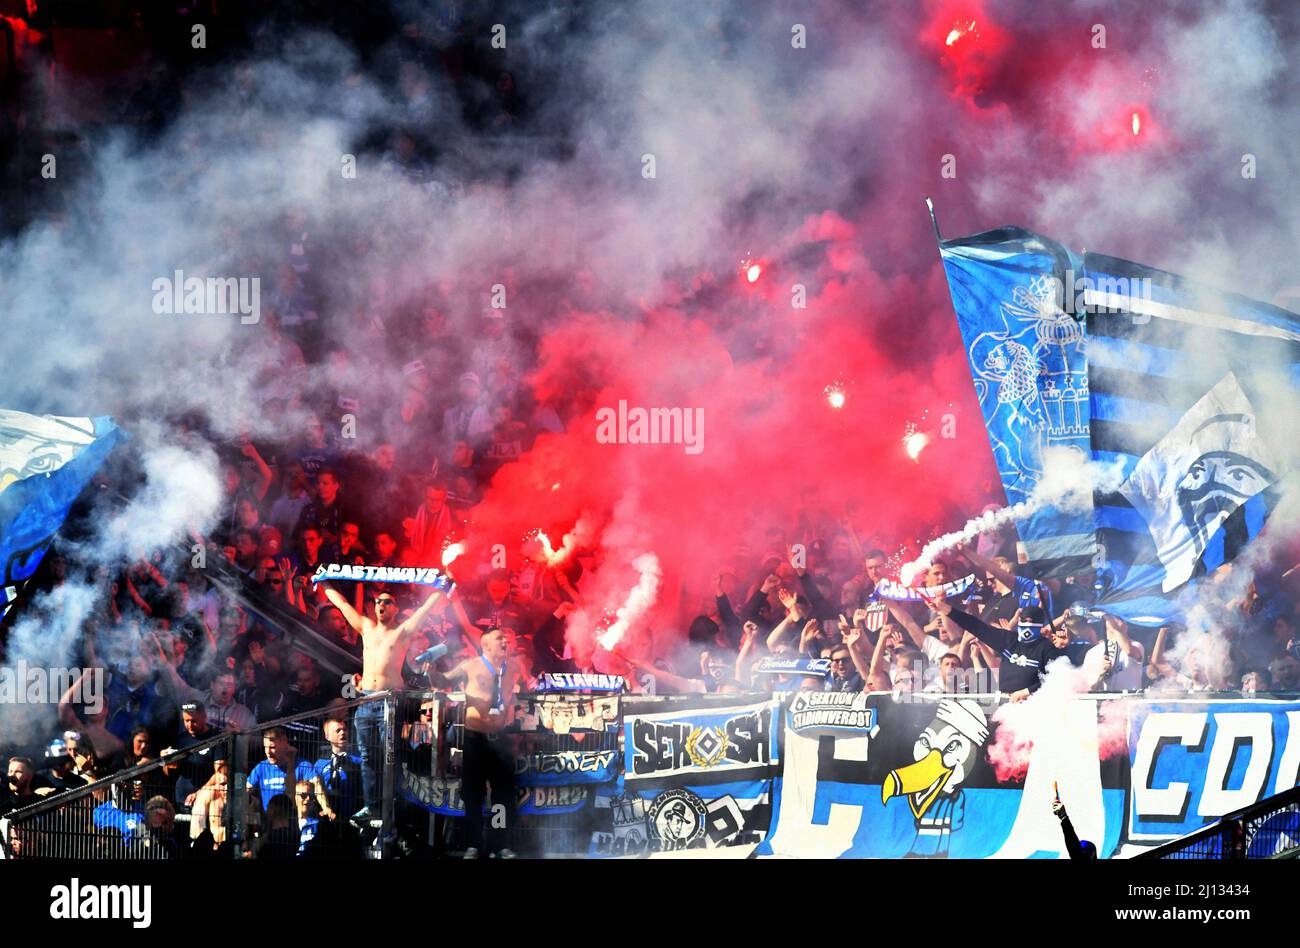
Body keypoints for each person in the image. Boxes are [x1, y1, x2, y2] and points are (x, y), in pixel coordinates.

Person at [320, 581, 448, 824]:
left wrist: (443, 587)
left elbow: (424, 611)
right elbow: (343, 604)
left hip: (389, 701)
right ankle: (373, 807)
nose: (381, 605)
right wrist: (324, 582)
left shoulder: (401, 632)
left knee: (391, 758)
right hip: (366, 699)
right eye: (378, 601)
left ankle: (392, 810)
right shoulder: (367, 627)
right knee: (368, 757)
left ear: (395, 608)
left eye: (387, 602)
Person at [428, 628, 522, 859]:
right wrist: (430, 667)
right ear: (486, 645)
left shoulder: (514, 667)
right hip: (475, 738)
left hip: (501, 739)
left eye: (506, 638)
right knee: (473, 795)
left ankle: (499, 845)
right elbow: (443, 680)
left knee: (502, 795)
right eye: (500, 638)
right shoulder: (470, 666)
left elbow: (522, 691)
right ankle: (473, 844)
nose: (505, 641)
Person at [926, 597, 1064, 701]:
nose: (1025, 625)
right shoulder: (1009, 639)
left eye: (1029, 621)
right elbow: (976, 626)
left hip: (1031, 705)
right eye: (1022, 621)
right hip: (1004, 703)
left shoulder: (1046, 648)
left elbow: (1056, 678)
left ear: (1039, 624)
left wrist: (1027, 691)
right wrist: (945, 609)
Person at [312, 717, 363, 822]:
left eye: (345, 729)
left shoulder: (358, 760)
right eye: (338, 730)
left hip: (353, 816)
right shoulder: (320, 763)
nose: (342, 733)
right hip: (328, 818)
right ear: (327, 736)